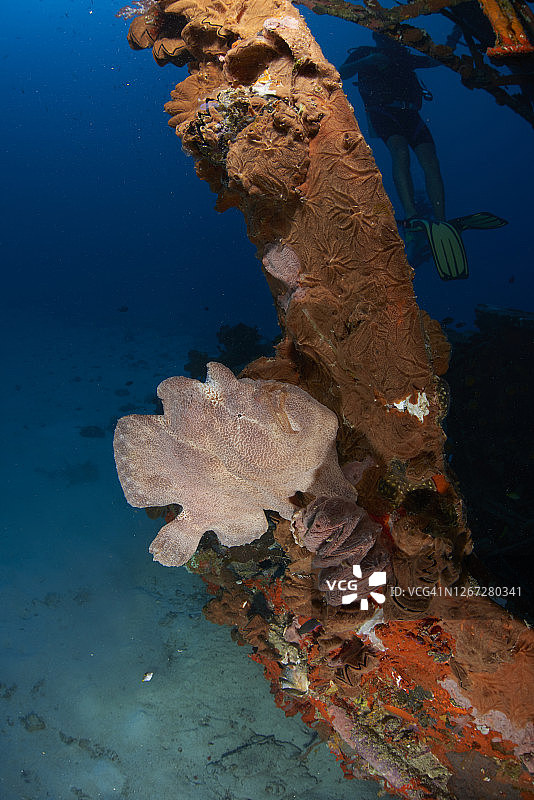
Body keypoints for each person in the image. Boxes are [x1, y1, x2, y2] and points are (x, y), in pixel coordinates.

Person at [339, 32, 508, 280]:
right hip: (383, 112)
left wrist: (449, 42)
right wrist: (367, 61)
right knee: (400, 152)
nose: (390, 41)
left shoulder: (402, 55)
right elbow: (341, 72)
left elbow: (433, 60)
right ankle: (411, 215)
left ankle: (441, 220)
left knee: (431, 160)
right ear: (377, 37)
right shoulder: (364, 52)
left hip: (411, 114)